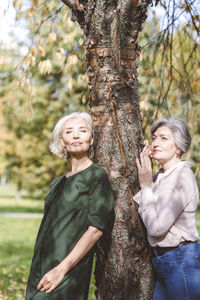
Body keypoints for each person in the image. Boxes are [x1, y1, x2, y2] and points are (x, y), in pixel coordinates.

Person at [25, 112, 114, 300]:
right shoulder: (57, 182)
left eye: (83, 130)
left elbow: (95, 230)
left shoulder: (97, 176)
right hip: (40, 269)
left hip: (67, 271)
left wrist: (61, 270)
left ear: (91, 140)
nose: (76, 135)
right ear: (62, 141)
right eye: (69, 132)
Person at [133, 117, 200, 300]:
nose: (155, 143)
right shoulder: (160, 177)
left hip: (181, 259)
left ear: (178, 147)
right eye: (154, 138)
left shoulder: (181, 177)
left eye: (164, 138)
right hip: (162, 260)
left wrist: (146, 186)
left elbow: (156, 228)